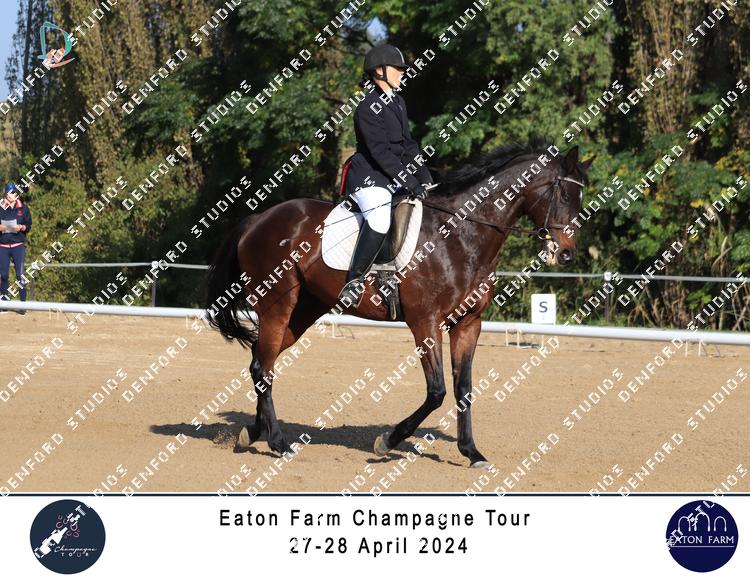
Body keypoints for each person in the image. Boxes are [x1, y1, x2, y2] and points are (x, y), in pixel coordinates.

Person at [338, 44, 434, 307]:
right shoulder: (367, 107)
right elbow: (380, 153)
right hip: (370, 178)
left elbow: (408, 146)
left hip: (393, 177)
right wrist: (410, 182)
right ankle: (354, 280)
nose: (402, 73)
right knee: (380, 219)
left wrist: (425, 178)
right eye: (397, 68)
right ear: (379, 71)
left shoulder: (398, 103)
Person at [0, 182, 32, 315]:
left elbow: (28, 225)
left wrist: (21, 227)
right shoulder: (1, 208)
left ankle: (22, 306)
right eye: (11, 192)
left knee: (20, 275)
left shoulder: (24, 208)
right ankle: (4, 304)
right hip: (3, 247)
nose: (13, 194)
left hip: (18, 246)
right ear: (6, 195)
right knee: (4, 275)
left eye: (14, 192)